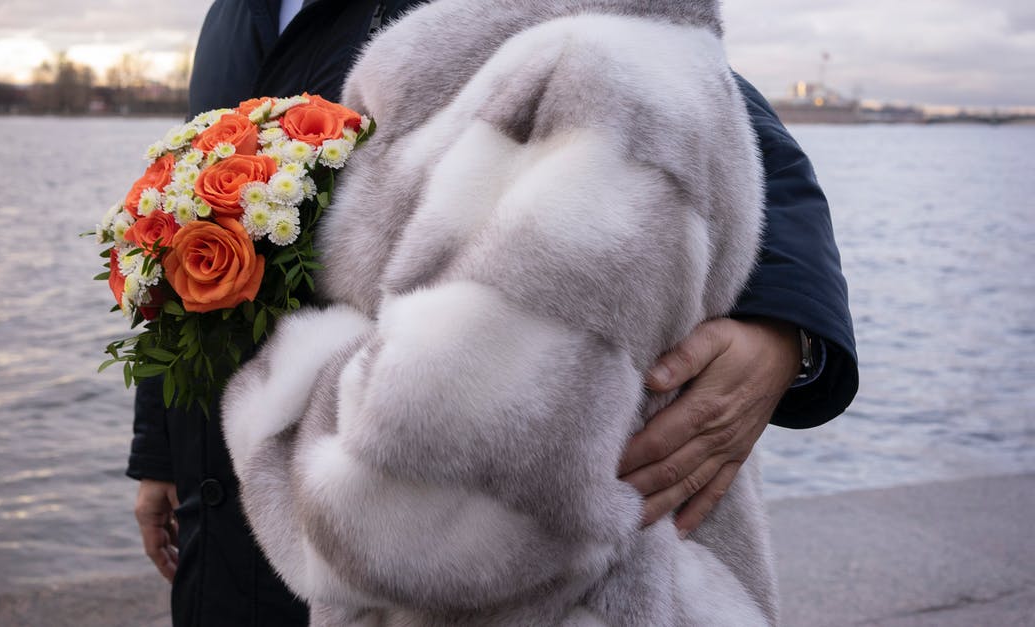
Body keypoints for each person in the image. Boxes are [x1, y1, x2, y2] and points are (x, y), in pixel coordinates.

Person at [124, 1, 859, 625]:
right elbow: (191, 223)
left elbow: (680, 119)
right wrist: (163, 445)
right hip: (238, 513)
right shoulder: (234, 14)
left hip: (365, 507)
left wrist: (784, 323)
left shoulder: (584, 56)